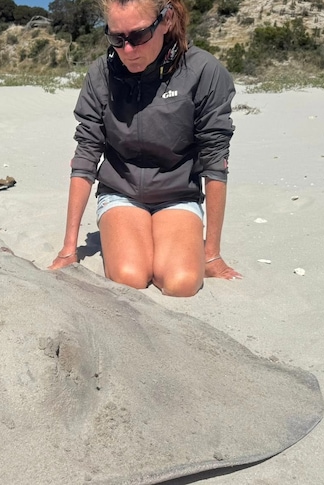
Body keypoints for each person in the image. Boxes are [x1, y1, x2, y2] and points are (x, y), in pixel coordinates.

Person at [48, 0, 242, 297]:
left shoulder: (204, 71)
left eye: (138, 36)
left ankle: (165, 238)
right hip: (120, 192)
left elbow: (215, 160)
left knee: (182, 283)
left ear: (165, 21)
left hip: (177, 194)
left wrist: (211, 254)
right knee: (130, 277)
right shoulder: (101, 75)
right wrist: (68, 248)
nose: (127, 50)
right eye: (117, 38)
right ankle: (127, 232)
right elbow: (86, 155)